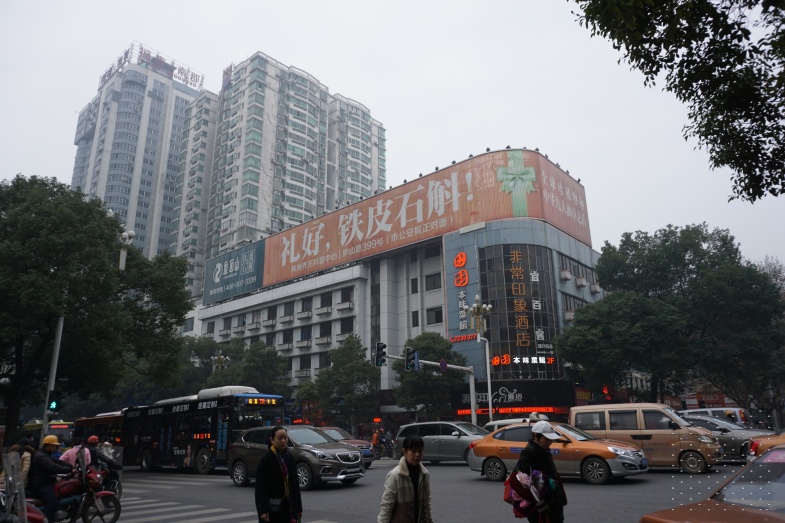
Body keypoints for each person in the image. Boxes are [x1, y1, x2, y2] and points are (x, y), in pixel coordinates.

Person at [509, 420, 567, 523]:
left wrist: (560, 495)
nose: (549, 442)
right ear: (536, 436)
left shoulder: (544, 449)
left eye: (550, 439)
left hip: (553, 503)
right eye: (546, 439)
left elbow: (552, 472)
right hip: (542, 508)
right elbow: (514, 479)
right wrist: (536, 499)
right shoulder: (529, 452)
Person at [377, 434, 433, 523]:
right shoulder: (395, 475)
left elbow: (426, 505)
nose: (417, 454)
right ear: (405, 451)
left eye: (420, 451)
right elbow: (387, 505)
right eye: (413, 451)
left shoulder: (424, 474)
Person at [255, 426, 303, 523]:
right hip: (273, 508)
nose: (283, 441)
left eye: (285, 438)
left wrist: (299, 508)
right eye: (280, 438)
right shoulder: (266, 459)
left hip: (289, 507)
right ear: (272, 440)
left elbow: (295, 485)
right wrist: (263, 510)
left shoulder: (289, 457)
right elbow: (260, 487)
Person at [28, 434, 75, 523]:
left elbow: (57, 461)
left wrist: (70, 466)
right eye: (55, 446)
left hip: (45, 482)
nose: (56, 448)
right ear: (48, 446)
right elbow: (53, 467)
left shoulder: (45, 454)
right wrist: (69, 469)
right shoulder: (41, 456)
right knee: (52, 503)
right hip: (41, 485)